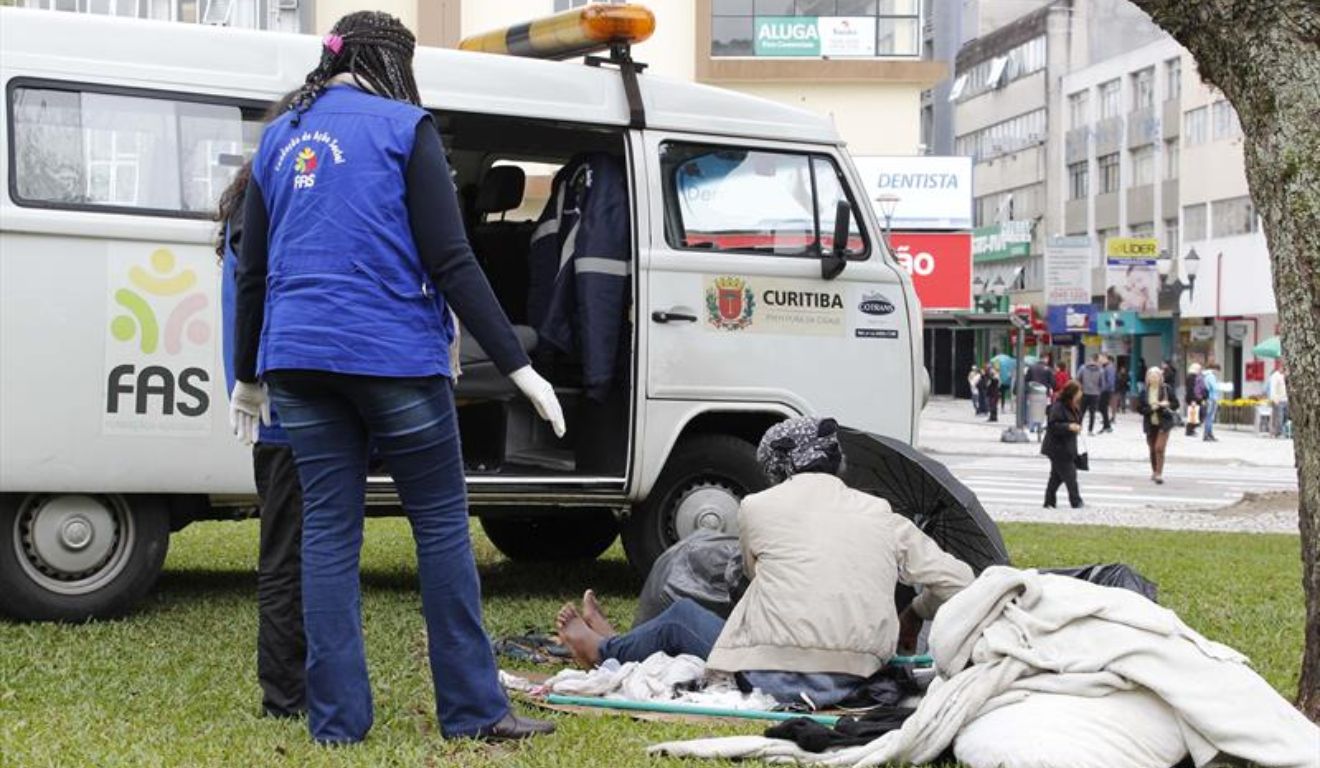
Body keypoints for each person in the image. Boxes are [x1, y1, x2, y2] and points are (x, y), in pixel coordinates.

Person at [231, 12, 558, 744]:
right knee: (439, 526)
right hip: (393, 356)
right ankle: (474, 711)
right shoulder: (406, 127)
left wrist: (247, 375)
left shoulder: (280, 137)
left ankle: (337, 725)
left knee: (327, 534)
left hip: (296, 359)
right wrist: (518, 363)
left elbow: (252, 269)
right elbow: (451, 259)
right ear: (391, 63)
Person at [555, 417, 973, 708]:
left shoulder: (758, 506)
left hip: (771, 675)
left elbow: (751, 578)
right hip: (860, 676)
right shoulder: (881, 513)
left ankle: (602, 649)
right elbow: (960, 580)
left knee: (681, 619)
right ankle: (621, 643)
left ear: (777, 468)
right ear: (837, 463)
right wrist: (915, 611)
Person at [218, 142, 307, 719]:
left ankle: (291, 687)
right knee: (287, 556)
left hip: (270, 406)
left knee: (287, 551)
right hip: (284, 408)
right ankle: (286, 694)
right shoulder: (268, 212)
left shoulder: (245, 207)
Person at [1041, 380, 1085, 509]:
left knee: (1056, 477)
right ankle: (1076, 501)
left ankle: (1049, 501)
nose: (1081, 394)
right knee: (1070, 475)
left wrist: (1076, 427)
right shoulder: (1058, 406)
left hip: (1067, 446)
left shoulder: (1073, 405)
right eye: (1079, 391)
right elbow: (1053, 425)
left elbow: (1076, 419)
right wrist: (1069, 427)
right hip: (1057, 448)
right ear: (1072, 393)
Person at [1138, 366, 1180, 484]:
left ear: (1160, 378)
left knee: (1159, 448)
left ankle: (1159, 474)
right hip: (1150, 424)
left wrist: (1167, 404)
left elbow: (1176, 404)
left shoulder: (1166, 389)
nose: (1154, 379)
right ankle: (1154, 470)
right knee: (1152, 449)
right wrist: (1151, 408)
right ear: (1148, 378)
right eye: (1151, 376)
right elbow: (1140, 409)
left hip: (1164, 422)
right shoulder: (1144, 391)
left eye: (1156, 376)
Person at [1078, 355, 1104, 434]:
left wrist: (1081, 388)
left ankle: (1078, 428)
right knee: (1092, 413)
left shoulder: (1082, 368)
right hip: (1095, 394)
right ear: (1096, 360)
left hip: (1084, 393)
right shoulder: (1100, 370)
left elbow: (1078, 378)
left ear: (1090, 359)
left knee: (1081, 411)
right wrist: (1098, 391)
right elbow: (1102, 383)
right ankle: (1090, 430)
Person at [1201, 363, 1221, 442]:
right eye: (1218, 371)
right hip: (1212, 398)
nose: (1218, 373)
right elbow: (1214, 387)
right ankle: (1207, 434)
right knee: (1209, 417)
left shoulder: (1206, 375)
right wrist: (1222, 386)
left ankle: (1208, 434)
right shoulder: (1211, 376)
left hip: (1209, 398)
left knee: (1208, 416)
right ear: (1215, 369)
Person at [1268, 362, 1288, 438]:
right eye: (1283, 368)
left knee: (1285, 416)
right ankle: (1278, 433)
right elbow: (1272, 388)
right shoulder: (1275, 376)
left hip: (1285, 399)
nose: (1284, 369)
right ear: (1280, 367)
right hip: (1278, 400)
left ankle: (1278, 431)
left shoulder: (1285, 376)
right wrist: (1274, 398)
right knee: (1279, 417)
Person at [1184, 362, 1204, 437]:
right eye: (1199, 369)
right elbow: (1190, 389)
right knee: (1194, 414)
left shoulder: (1193, 376)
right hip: (1193, 398)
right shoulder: (1192, 377)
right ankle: (1189, 430)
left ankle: (1191, 429)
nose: (1200, 370)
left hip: (1194, 398)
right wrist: (1193, 400)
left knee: (1195, 414)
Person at [1098, 354, 1116, 433]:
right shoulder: (1104, 367)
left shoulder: (1109, 367)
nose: (1099, 360)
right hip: (1104, 390)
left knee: (1102, 407)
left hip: (1106, 391)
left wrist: (1104, 389)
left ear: (1105, 358)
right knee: (1102, 407)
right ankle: (1106, 425)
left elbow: (1110, 381)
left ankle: (1107, 426)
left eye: (1101, 358)